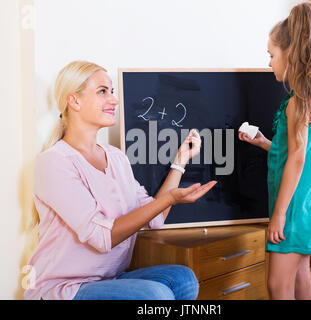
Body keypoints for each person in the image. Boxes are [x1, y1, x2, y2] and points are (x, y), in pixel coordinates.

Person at [24, 61, 217, 300]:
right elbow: (101, 238)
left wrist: (180, 161)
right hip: (66, 289)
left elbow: (154, 218)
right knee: (154, 295)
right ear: (74, 101)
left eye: (112, 92)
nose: (114, 100)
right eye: (102, 92)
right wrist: (169, 198)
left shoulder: (116, 158)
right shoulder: (54, 162)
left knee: (183, 279)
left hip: (109, 280)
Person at [239, 2, 311, 300]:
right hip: (307, 204)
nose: (269, 63)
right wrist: (265, 143)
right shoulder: (307, 99)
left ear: (290, 54)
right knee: (300, 282)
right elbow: (292, 153)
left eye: (271, 55)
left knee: (278, 286)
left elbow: (297, 157)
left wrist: (278, 215)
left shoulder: (297, 103)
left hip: (292, 208)